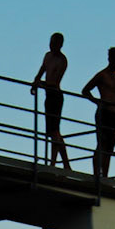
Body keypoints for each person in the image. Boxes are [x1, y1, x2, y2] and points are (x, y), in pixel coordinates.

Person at [80, 46, 115, 182]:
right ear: (110, 58)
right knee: (102, 144)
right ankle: (96, 174)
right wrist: (98, 102)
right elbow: (85, 90)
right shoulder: (102, 75)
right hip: (104, 112)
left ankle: (105, 176)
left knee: (110, 148)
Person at [30, 33, 72, 172]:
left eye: (55, 43)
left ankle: (64, 164)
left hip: (55, 95)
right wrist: (36, 82)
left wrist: (41, 84)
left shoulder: (62, 60)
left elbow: (54, 82)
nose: (52, 45)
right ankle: (54, 163)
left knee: (54, 131)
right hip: (48, 95)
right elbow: (42, 70)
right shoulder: (48, 56)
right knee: (52, 132)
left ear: (60, 44)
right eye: (51, 42)